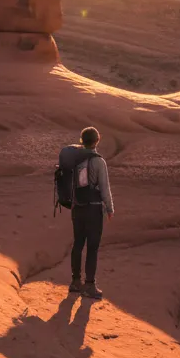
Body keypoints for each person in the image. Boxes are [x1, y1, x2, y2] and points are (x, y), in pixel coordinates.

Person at [68, 126, 114, 299]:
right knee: (92, 247)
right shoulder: (98, 161)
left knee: (78, 243)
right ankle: (90, 285)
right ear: (97, 140)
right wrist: (109, 208)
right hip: (93, 209)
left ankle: (75, 282)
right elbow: (104, 187)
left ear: (82, 140)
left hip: (77, 208)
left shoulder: (75, 159)